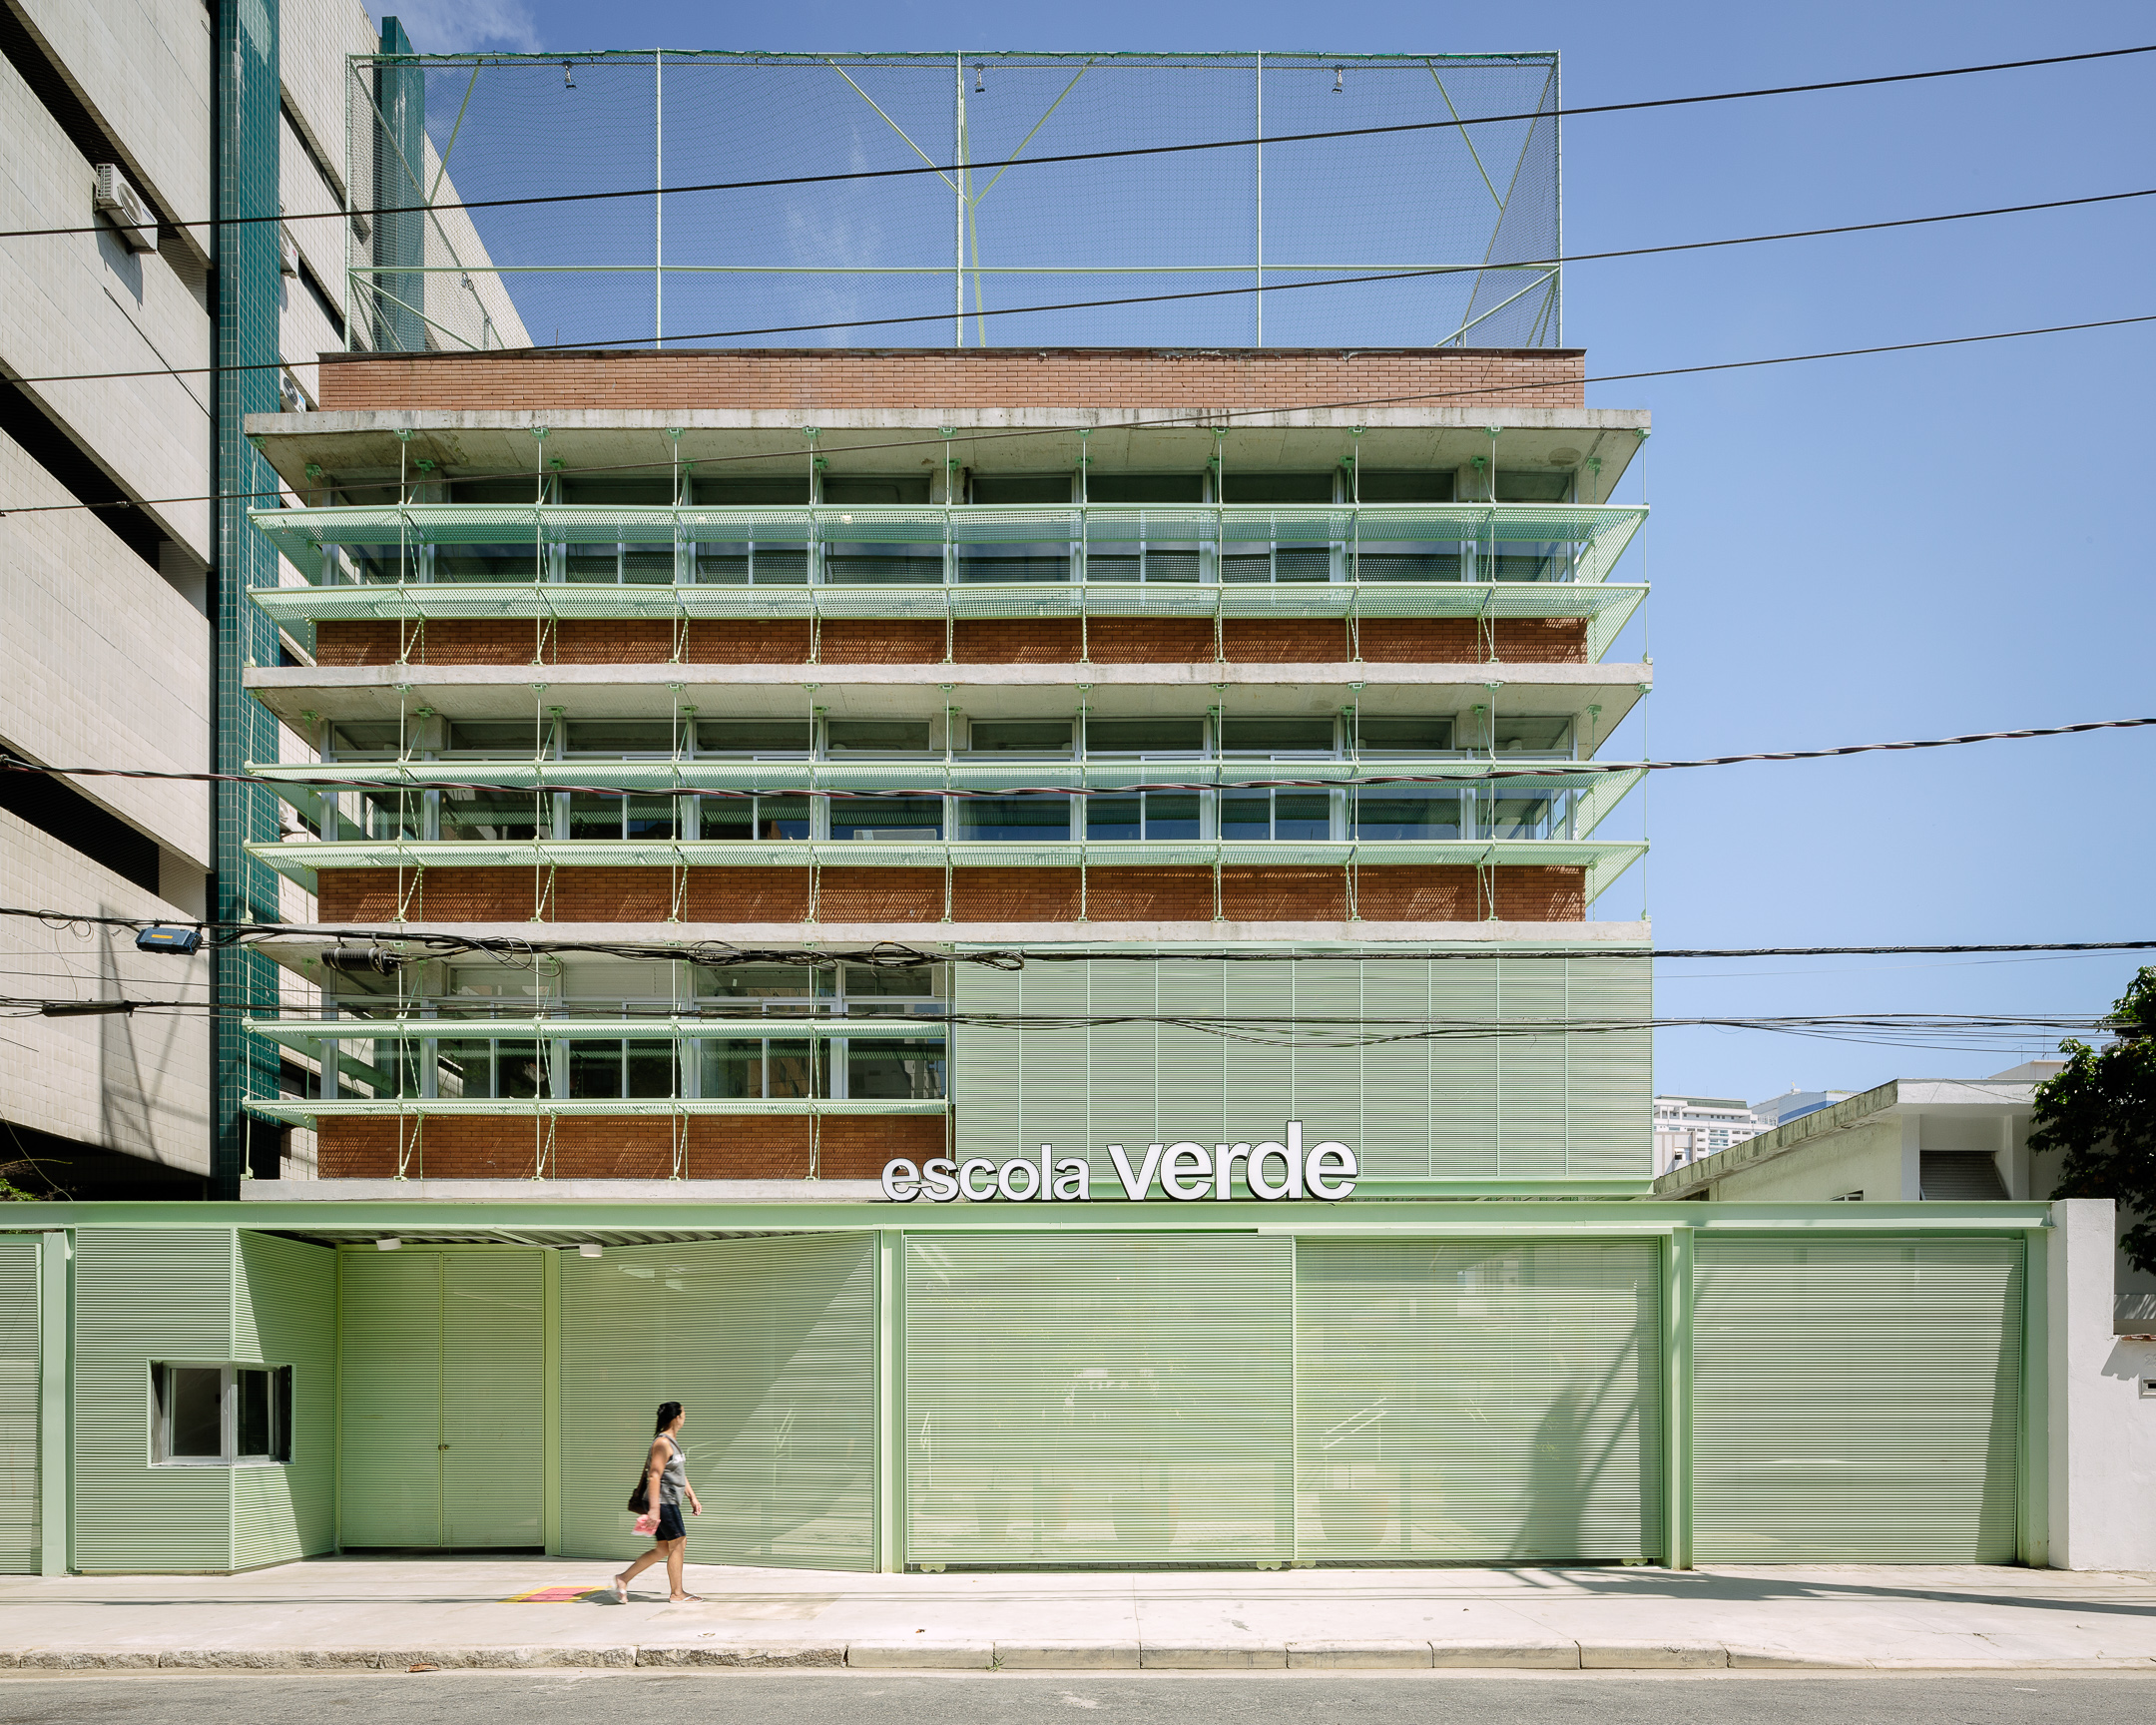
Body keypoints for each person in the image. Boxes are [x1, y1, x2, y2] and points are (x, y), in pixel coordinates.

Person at [614, 1402, 702, 1602]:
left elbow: (677, 1473)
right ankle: (677, 1593)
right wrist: (654, 1510)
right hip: (663, 1501)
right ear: (676, 1417)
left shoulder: (671, 1442)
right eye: (684, 1412)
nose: (685, 1416)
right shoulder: (662, 1443)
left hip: (667, 1501)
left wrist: (692, 1496)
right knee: (679, 1542)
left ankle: (623, 1578)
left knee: (663, 1548)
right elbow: (654, 1475)